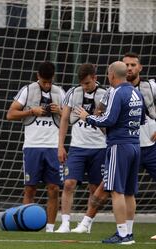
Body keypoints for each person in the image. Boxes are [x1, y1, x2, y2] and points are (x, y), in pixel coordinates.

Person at [72, 53, 156, 238]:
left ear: (111, 75)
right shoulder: (136, 92)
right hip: (135, 145)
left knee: (115, 190)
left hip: (119, 145)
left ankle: (122, 234)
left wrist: (88, 118)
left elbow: (108, 119)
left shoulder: (117, 92)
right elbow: (141, 119)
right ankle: (128, 232)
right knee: (128, 192)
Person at [6, 61, 65, 233]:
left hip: (53, 147)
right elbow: (10, 114)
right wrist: (32, 111)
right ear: (38, 76)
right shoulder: (28, 90)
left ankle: (50, 228)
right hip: (32, 146)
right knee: (30, 188)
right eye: (44, 81)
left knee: (53, 188)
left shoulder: (60, 92)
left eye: (49, 81)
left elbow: (69, 118)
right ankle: (26, 224)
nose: (47, 85)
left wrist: (59, 111)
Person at [55, 64, 107, 233]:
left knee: (94, 188)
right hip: (77, 147)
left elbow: (109, 123)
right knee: (69, 183)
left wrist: (94, 118)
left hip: (99, 147)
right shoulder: (73, 92)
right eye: (82, 84)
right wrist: (60, 146)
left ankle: (87, 223)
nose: (85, 87)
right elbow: (64, 119)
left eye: (87, 83)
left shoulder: (105, 94)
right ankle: (64, 223)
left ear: (94, 78)